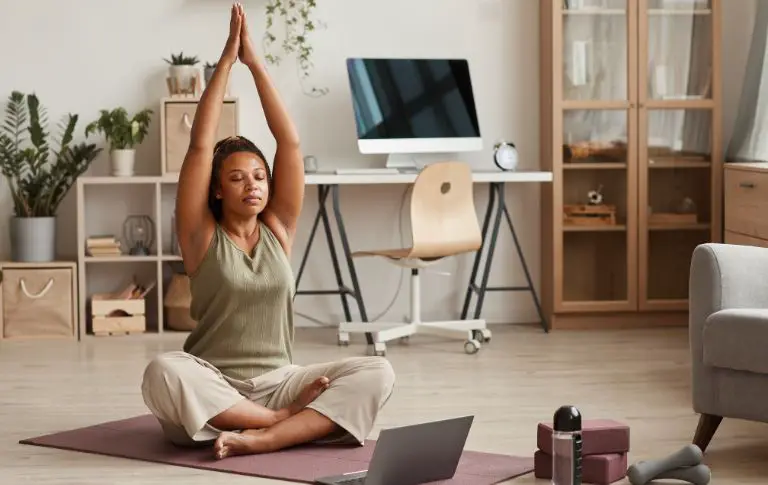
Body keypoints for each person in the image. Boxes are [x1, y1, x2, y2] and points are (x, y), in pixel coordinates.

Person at [140, 3, 395, 460]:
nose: (252, 185)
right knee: (162, 371)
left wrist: (255, 64)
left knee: (378, 372)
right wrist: (225, 62)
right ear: (217, 190)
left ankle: (262, 437)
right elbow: (200, 144)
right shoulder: (201, 237)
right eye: (237, 178)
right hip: (214, 388)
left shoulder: (278, 230)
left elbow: (290, 143)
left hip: (281, 383)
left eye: (259, 176)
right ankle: (280, 425)